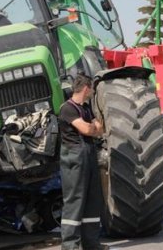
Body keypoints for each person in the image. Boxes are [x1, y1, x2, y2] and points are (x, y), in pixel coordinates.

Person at [58, 74, 108, 250]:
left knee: (92, 200)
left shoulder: (86, 108)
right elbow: (88, 129)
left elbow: (99, 129)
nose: (92, 92)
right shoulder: (67, 109)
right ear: (86, 88)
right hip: (74, 157)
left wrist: (93, 129)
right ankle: (70, 245)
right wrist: (93, 128)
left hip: (88, 155)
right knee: (75, 200)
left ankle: (91, 244)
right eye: (92, 89)